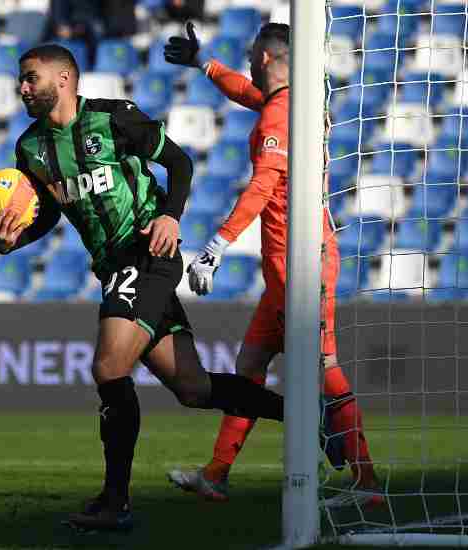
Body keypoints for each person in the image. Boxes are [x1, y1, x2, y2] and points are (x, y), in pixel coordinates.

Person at [0, 43, 291, 533]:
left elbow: (181, 164)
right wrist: (11, 240)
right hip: (113, 266)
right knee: (193, 387)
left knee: (109, 366)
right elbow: (47, 214)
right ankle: (304, 417)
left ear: (63, 80)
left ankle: (114, 501)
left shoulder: (113, 118)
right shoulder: (31, 149)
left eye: (31, 78)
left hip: (147, 250)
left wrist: (170, 214)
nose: (22, 88)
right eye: (21, 80)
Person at [163, 22, 383, 509]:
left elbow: (263, 186)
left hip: (300, 262)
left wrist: (217, 245)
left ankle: (367, 482)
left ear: (264, 57)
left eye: (248, 55)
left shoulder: (277, 116)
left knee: (323, 364)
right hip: (286, 263)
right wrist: (205, 63)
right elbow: (247, 92)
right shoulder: (292, 104)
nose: (245, 63)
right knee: (251, 364)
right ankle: (217, 473)